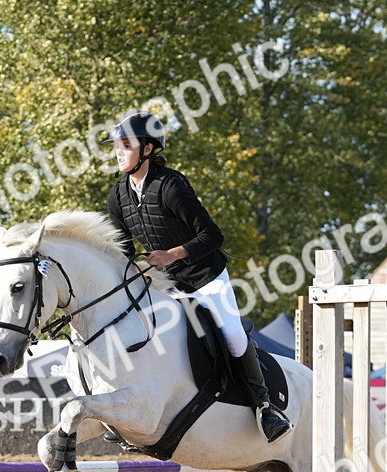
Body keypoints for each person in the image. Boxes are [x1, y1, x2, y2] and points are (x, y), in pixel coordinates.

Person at [104, 111, 291, 443]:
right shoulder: (118, 196)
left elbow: (212, 236)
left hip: (205, 276)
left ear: (147, 149)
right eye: (116, 146)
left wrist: (171, 255)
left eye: (125, 145)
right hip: (166, 285)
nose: (118, 153)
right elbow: (124, 249)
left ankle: (265, 408)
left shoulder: (171, 186)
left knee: (232, 334)